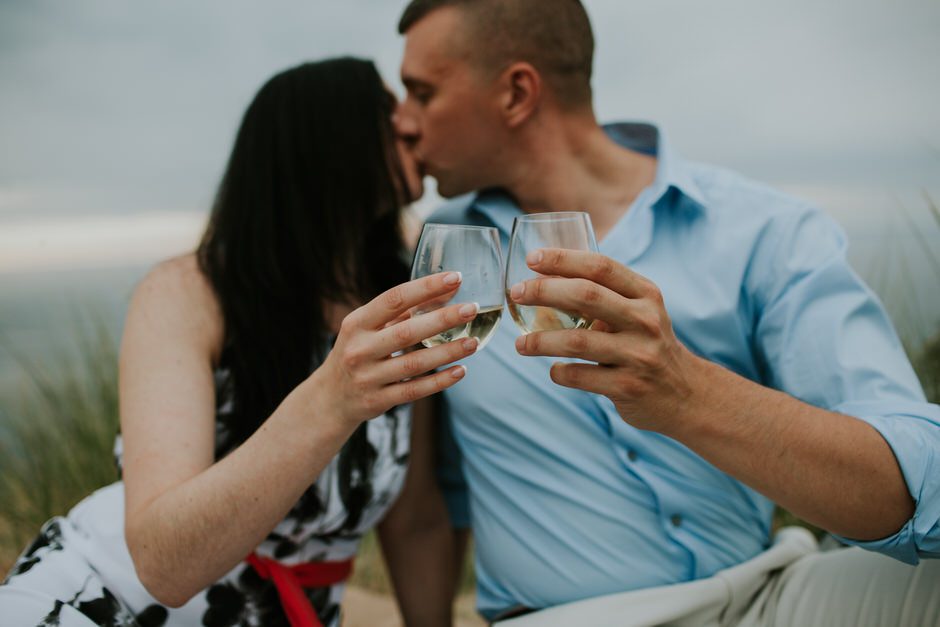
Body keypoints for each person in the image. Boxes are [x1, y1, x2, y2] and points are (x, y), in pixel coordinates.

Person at [393, 1, 940, 624]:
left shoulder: (763, 231)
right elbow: (423, 505)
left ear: (517, 94)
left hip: (766, 597)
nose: (402, 123)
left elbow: (920, 483)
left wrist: (687, 392)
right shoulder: (437, 262)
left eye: (421, 93)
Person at [0, 57, 475, 627]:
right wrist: (332, 396)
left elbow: (415, 518)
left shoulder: (394, 298)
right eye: (386, 109)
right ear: (326, 140)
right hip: (106, 603)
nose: (410, 123)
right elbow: (162, 564)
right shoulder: (187, 294)